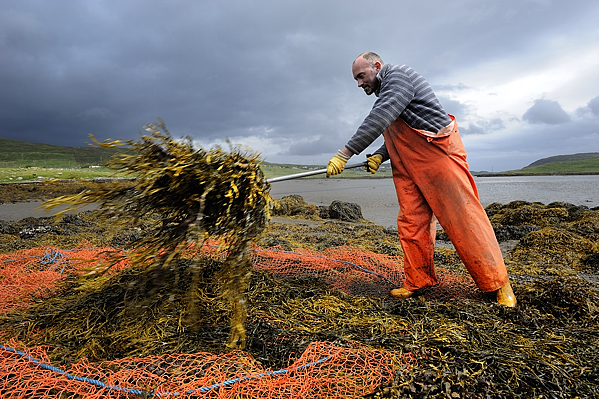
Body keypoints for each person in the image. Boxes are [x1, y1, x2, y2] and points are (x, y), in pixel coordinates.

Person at [327, 52, 517, 307]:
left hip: (438, 154)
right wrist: (381, 155)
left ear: (377, 66)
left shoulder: (398, 77)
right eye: (356, 79)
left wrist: (345, 153)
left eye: (361, 76)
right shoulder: (388, 93)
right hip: (408, 165)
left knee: (464, 217)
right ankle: (418, 281)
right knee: (411, 222)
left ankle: (499, 284)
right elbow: (397, 125)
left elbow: (381, 115)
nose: (359, 84)